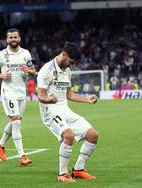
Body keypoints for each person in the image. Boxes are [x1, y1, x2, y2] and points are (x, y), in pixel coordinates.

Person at [37, 42, 99, 183]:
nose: (72, 65)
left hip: (64, 109)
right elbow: (40, 96)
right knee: (68, 135)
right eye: (71, 62)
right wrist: (48, 99)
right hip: (49, 110)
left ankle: (78, 170)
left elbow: (69, 95)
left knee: (93, 135)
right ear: (64, 55)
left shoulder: (67, 71)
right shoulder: (46, 70)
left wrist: (87, 99)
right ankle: (62, 174)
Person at [0, 28, 36, 165]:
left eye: (15, 37)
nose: (13, 39)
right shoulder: (1, 55)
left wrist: (29, 71)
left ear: (19, 38)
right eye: (10, 37)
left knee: (15, 122)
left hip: (22, 92)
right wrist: (2, 75)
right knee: (16, 122)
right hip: (8, 92)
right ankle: (22, 156)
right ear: (7, 39)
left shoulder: (26, 53)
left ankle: (1, 144)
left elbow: (33, 69)